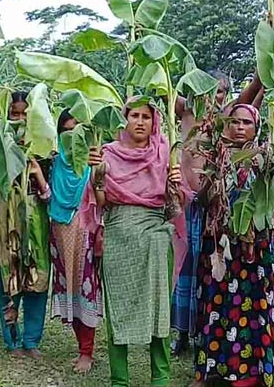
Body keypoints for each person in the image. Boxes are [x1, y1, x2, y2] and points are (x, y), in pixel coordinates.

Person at [88, 98, 185, 386]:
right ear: (125, 119)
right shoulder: (106, 154)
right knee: (119, 307)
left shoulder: (164, 153)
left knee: (158, 309)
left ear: (153, 121)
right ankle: (120, 380)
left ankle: (161, 378)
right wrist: (97, 177)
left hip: (155, 237)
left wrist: (174, 184)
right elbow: (102, 203)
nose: (140, 121)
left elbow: (173, 208)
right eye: (134, 115)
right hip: (119, 237)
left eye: (146, 116)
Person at [193, 104, 274, 387]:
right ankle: (210, 370)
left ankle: (250, 374)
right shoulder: (216, 158)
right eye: (234, 121)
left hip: (254, 250)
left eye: (247, 122)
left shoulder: (267, 160)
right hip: (220, 247)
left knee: (252, 307)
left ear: (256, 128)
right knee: (215, 306)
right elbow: (203, 200)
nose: (240, 127)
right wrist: (214, 179)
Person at [0, 91, 51, 359]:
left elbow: (50, 196)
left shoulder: (45, 149)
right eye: (13, 115)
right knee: (7, 273)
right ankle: (12, 341)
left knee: (38, 275)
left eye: (24, 115)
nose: (19, 121)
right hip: (6, 215)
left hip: (36, 215)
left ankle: (32, 339)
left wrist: (37, 175)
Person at [49, 109, 103, 373]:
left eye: (77, 130)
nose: (72, 137)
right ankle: (80, 345)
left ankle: (87, 351)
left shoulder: (94, 163)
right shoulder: (54, 162)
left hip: (86, 231)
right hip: (59, 230)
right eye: (66, 131)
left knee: (85, 288)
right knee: (68, 287)